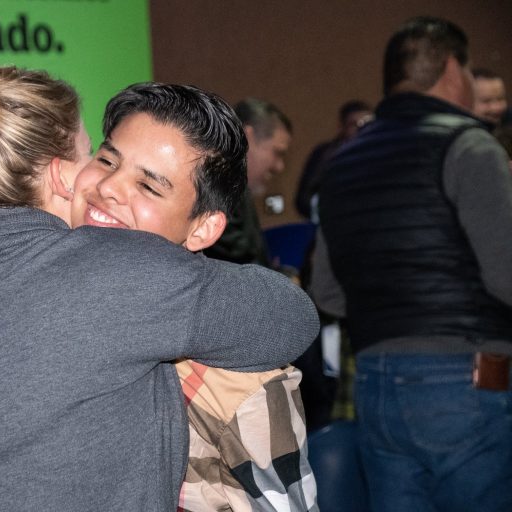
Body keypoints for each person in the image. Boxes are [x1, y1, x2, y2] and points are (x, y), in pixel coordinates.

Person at [0, 61, 319, 511]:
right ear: (63, 174)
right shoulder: (114, 280)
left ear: (202, 228)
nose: (109, 187)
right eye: (105, 158)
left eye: (148, 185)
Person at [311, 17, 512, 512]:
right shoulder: (469, 144)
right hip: (466, 381)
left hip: (376, 385)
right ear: (451, 68)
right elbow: (507, 275)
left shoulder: (341, 164)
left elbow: (327, 293)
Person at [203, 98, 292, 267]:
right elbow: (239, 257)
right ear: (247, 137)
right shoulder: (217, 185)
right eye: (277, 152)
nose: (279, 166)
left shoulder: (229, 185)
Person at [294, 100, 372, 220]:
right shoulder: (326, 155)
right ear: (342, 127)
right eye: (354, 124)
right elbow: (303, 199)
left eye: (367, 124)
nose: (361, 129)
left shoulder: (379, 152)